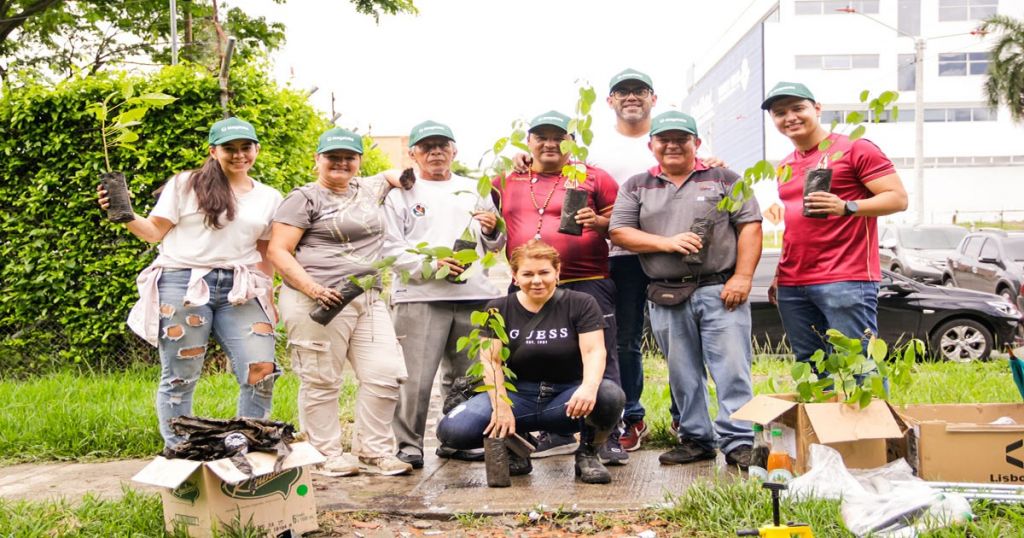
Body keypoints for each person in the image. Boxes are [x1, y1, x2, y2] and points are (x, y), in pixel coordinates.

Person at [98, 117, 282, 452]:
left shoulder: (269, 197)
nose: (239, 155)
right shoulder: (185, 185)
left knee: (261, 368)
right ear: (214, 151)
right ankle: (181, 449)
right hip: (182, 282)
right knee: (181, 375)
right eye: (230, 148)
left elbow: (264, 251)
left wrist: (269, 296)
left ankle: (250, 444)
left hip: (240, 287)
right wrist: (122, 212)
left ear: (256, 149)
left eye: (246, 147)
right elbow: (154, 231)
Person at [609, 111, 761, 468]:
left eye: (682, 139)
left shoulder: (725, 179)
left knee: (732, 369)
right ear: (652, 145)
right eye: (664, 139)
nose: (673, 145)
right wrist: (667, 243)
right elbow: (619, 232)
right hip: (666, 294)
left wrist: (743, 277)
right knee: (682, 372)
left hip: (720, 289)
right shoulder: (636, 185)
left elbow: (750, 226)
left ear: (697, 143)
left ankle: (738, 441)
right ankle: (695, 438)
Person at [267, 127, 413, 476]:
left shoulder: (367, 188)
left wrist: (404, 179)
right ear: (318, 159)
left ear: (359, 161)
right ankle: (324, 453)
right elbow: (278, 250)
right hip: (315, 301)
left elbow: (390, 176)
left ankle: (373, 451)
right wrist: (312, 288)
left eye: (349, 157)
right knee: (321, 379)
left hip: (367, 295)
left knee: (385, 374)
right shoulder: (303, 198)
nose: (341, 163)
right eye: (333, 157)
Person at [493, 110, 628, 465]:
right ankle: (544, 433)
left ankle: (606, 437)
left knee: (603, 359)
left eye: (560, 136)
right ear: (528, 141)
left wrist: (598, 222)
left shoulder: (593, 176)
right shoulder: (507, 179)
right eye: (542, 136)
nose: (550, 143)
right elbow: (473, 205)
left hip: (588, 281)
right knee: (523, 359)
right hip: (526, 287)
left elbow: (622, 222)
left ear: (573, 139)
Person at [436, 241, 626, 484]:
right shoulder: (497, 309)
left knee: (610, 395)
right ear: (514, 276)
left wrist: (588, 388)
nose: (537, 280)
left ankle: (588, 454)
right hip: (517, 396)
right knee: (453, 432)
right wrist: (500, 406)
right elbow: (491, 362)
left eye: (544, 272)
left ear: (557, 272)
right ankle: (517, 449)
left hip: (565, 397)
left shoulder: (581, 303)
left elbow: (594, 351)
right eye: (528, 274)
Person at [383, 120, 505, 469]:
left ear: (454, 151)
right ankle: (408, 444)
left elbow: (495, 242)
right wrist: (431, 263)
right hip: (418, 295)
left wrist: (494, 231)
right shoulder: (400, 193)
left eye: (442, 145)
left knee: (466, 379)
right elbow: (389, 247)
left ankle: (456, 438)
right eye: (427, 146)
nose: (435, 152)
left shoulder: (475, 188)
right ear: (413, 153)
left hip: (474, 294)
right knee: (415, 379)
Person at [761, 82, 908, 369]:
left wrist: (847, 206)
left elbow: (897, 198)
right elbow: (797, 226)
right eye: (780, 113)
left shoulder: (855, 148)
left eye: (798, 108)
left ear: (817, 109)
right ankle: (822, 415)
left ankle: (868, 417)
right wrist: (780, 273)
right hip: (793, 283)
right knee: (812, 366)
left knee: (858, 366)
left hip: (845, 279)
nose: (789, 117)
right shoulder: (786, 166)